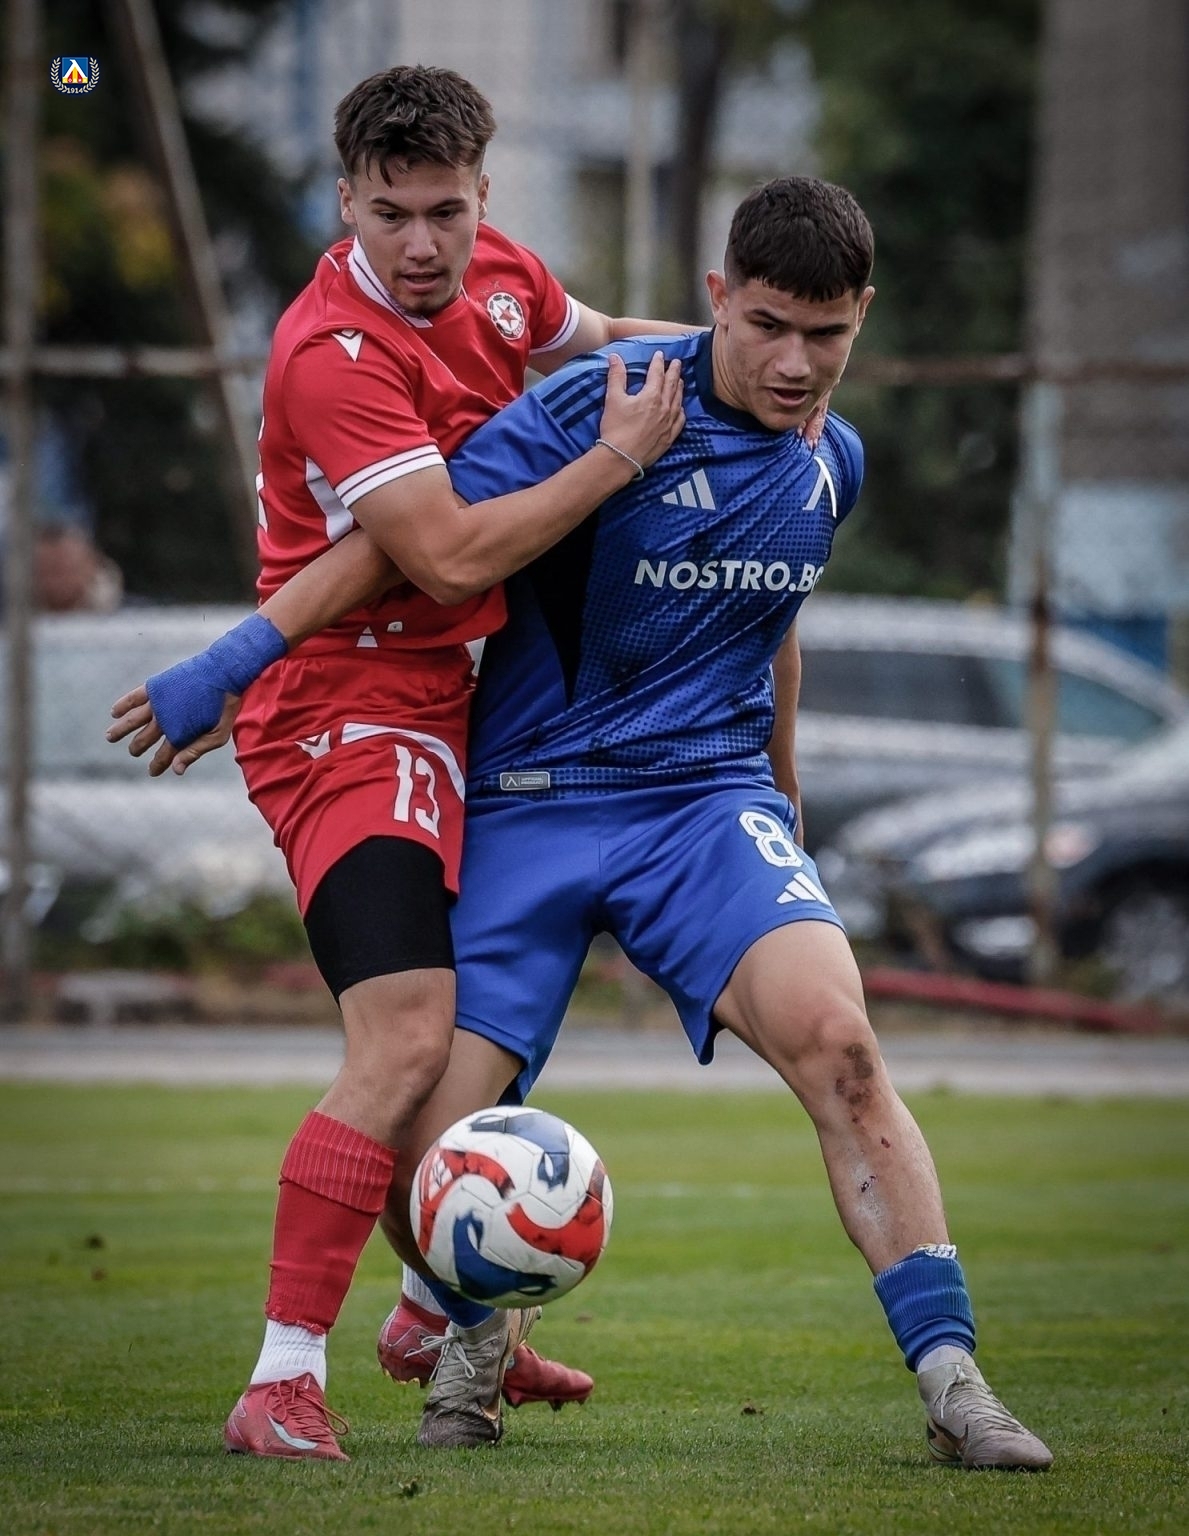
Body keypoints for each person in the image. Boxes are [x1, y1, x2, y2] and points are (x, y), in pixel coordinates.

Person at [112, 177, 1052, 1471]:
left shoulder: (833, 458)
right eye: (768, 326)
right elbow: (410, 543)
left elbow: (772, 620)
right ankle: (465, 1323)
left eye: (826, 336)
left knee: (841, 1047)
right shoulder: (597, 407)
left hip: (704, 809)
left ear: (862, 320)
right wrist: (238, 656)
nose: (795, 364)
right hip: (531, 803)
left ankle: (956, 1386)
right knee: (417, 1134)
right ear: (717, 299)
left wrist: (778, 787)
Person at [111, 62, 686, 1464]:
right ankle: (279, 1382)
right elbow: (447, 557)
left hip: (450, 703)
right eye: (390, 215)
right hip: (335, 714)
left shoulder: (502, 277)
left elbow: (603, 335)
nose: (422, 246)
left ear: (483, 194)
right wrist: (618, 460)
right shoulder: (332, 353)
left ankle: (441, 1307)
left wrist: (750, 352)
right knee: (409, 1035)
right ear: (345, 202)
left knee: (471, 1034)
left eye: (445, 212)